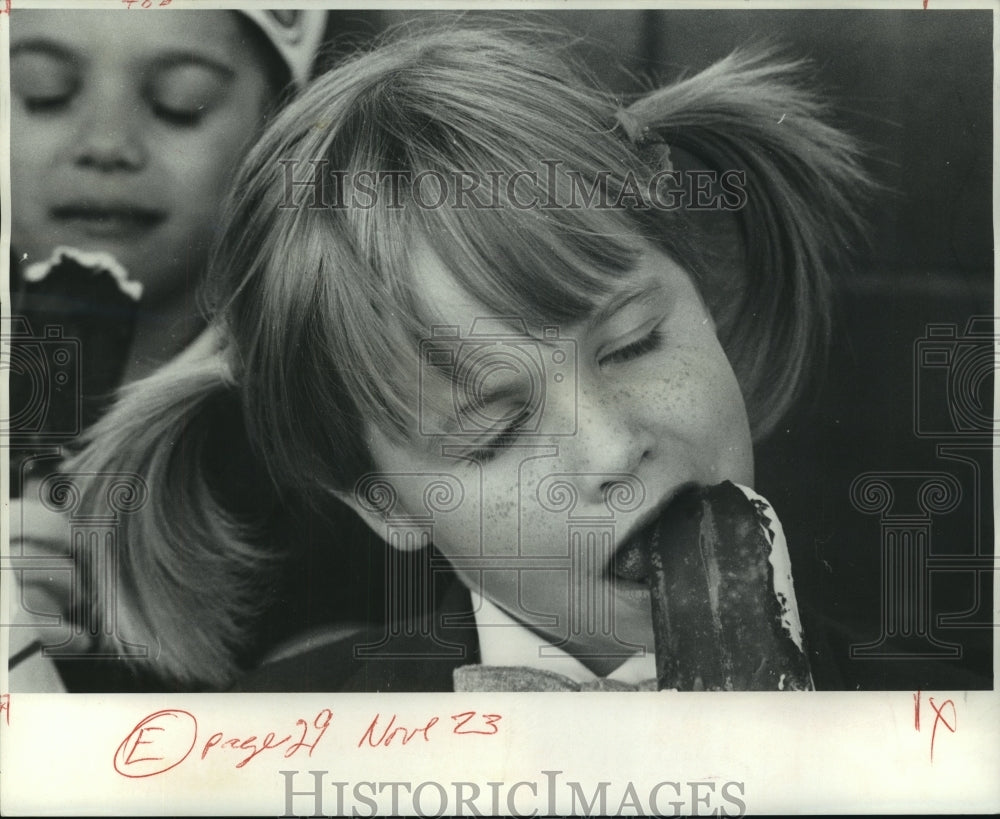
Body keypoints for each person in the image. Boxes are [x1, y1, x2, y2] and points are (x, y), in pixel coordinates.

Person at [57, 24, 873, 692]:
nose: (614, 448)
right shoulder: (263, 749)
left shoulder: (956, 719)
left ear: (703, 301)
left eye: (634, 344)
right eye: (497, 429)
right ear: (387, 504)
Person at [5, 7, 330, 691]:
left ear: (280, 126)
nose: (106, 144)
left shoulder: (327, 448)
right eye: (43, 93)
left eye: (178, 102)